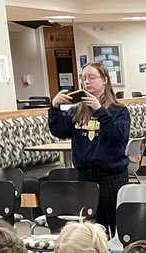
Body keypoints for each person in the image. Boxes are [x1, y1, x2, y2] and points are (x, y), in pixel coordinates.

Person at [49, 62, 131, 237]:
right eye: (84, 78)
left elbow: (118, 138)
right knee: (91, 229)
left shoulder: (119, 110)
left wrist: (100, 110)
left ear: (105, 80)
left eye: (92, 78)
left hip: (111, 176)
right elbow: (59, 131)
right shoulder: (77, 110)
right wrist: (54, 107)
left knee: (115, 227)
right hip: (85, 176)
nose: (87, 82)